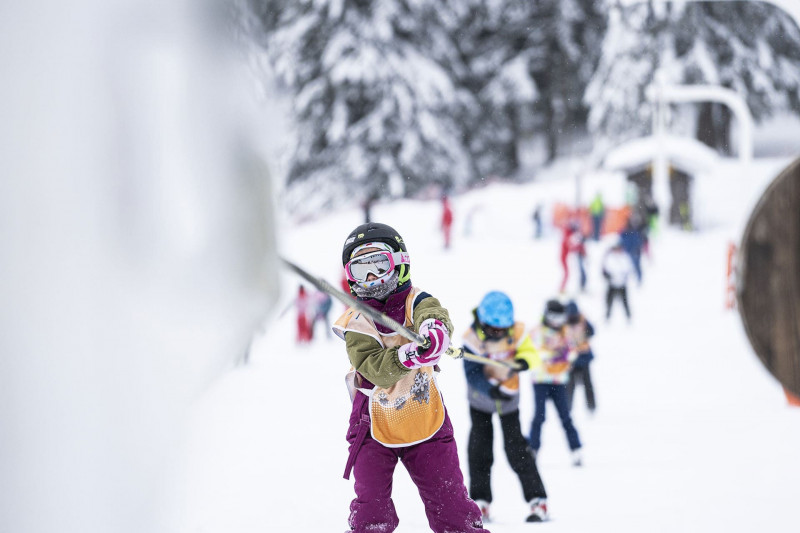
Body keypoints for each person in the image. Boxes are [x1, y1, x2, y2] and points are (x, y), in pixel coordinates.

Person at [332, 222, 488, 533]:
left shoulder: (415, 300)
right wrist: (409, 355)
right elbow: (375, 368)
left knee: (452, 507)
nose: (373, 278)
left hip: (425, 419)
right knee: (372, 511)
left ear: (399, 263)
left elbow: (432, 312)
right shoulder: (355, 322)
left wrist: (435, 331)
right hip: (373, 426)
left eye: (380, 265)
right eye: (362, 270)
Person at [462, 291, 549, 523]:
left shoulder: (518, 332)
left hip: (509, 402)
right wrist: (491, 390)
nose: (499, 334)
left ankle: (537, 499)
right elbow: (472, 374)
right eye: (494, 330)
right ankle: (480, 501)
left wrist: (522, 362)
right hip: (480, 402)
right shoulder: (471, 339)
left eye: (503, 329)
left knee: (517, 450)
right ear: (483, 322)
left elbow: (532, 355)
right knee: (480, 449)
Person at [527, 299, 583, 466]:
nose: (557, 322)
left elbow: (573, 352)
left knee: (565, 416)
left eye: (560, 318)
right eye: (554, 318)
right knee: (539, 417)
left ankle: (576, 450)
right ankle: (533, 449)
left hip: (559, 381)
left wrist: (567, 355)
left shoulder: (566, 332)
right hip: (541, 380)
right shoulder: (538, 331)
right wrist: (556, 353)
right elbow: (536, 353)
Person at [564, 301, 596, 414]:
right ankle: (568, 407)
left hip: (583, 358)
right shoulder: (563, 324)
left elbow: (592, 332)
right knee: (569, 386)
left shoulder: (583, 321)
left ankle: (591, 406)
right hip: (570, 360)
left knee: (587, 384)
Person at [602, 239, 636, 322]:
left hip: (622, 284)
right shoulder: (609, 257)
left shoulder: (625, 257)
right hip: (612, 283)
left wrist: (625, 277)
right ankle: (607, 317)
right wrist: (608, 277)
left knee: (625, 302)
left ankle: (628, 317)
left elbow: (629, 268)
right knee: (609, 301)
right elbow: (604, 269)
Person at [559, 223, 587, 293]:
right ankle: (562, 289)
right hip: (566, 258)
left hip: (568, 258)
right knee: (567, 274)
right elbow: (571, 246)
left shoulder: (569, 236)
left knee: (570, 273)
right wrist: (578, 247)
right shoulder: (568, 236)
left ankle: (564, 288)